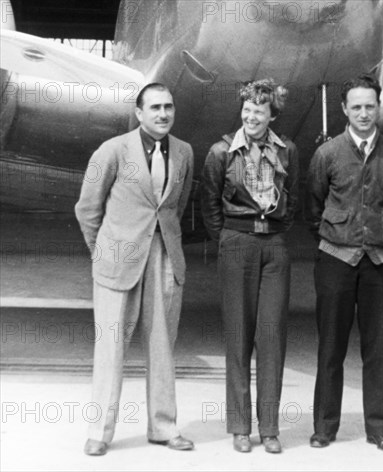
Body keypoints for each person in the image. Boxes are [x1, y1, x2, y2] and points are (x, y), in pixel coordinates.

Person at [75, 83, 195, 456]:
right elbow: (87, 208)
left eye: (169, 107)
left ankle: (163, 427)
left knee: (162, 347)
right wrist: (103, 250)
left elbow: (176, 205)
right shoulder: (111, 150)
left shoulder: (184, 152)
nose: (163, 114)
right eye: (155, 107)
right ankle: (99, 431)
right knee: (110, 349)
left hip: (163, 257)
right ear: (139, 113)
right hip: (117, 259)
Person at [306, 74, 383, 453]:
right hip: (335, 259)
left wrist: (378, 232)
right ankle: (324, 427)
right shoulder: (327, 154)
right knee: (330, 347)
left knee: (377, 349)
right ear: (345, 110)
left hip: (381, 262)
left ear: (379, 108)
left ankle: (379, 429)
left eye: (370, 106)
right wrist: (339, 235)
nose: (364, 113)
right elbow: (313, 207)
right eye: (357, 107)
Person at [200, 78, 299, 454]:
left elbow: (295, 197)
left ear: (272, 113)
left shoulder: (287, 150)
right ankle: (240, 425)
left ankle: (270, 427)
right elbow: (209, 202)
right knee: (238, 335)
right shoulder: (221, 151)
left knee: (272, 336)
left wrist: (272, 231)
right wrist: (228, 237)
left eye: (260, 110)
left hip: (274, 245)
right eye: (247, 109)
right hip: (236, 241)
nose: (251, 116)